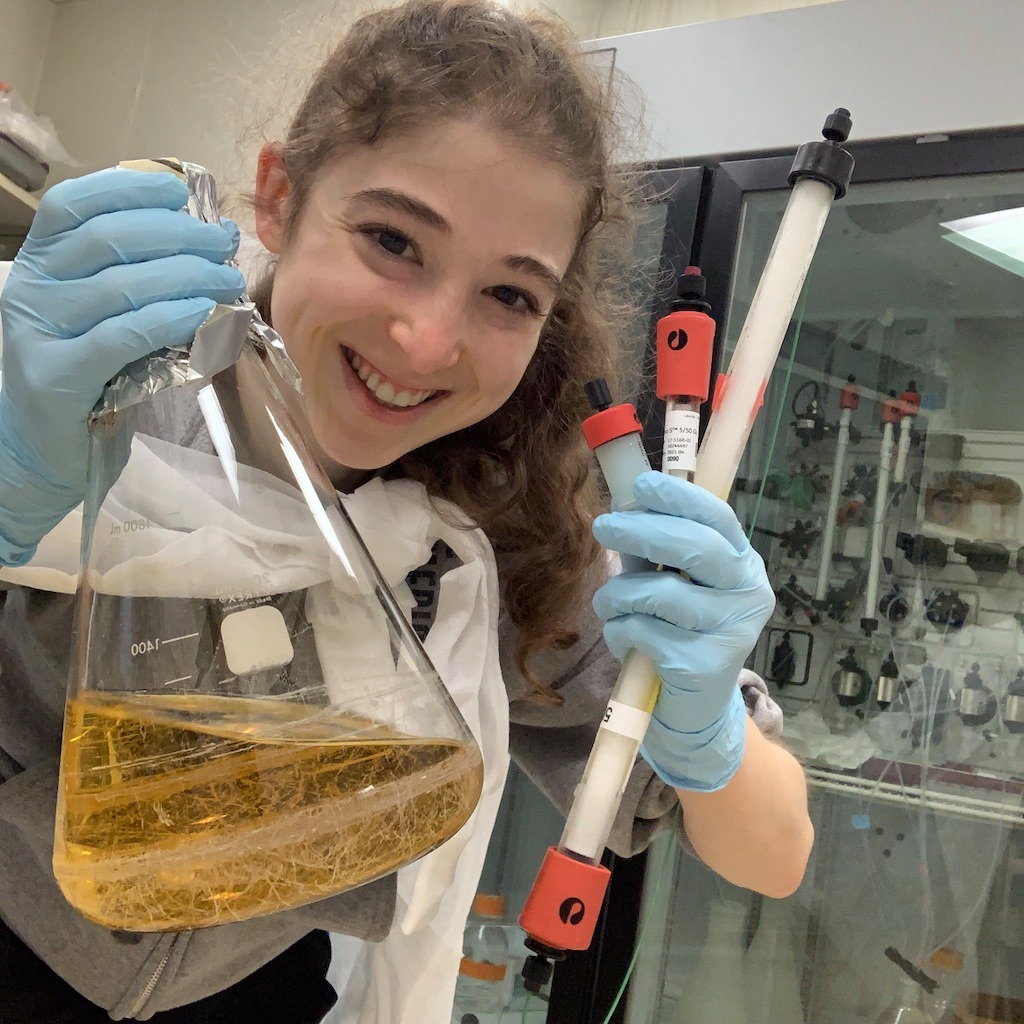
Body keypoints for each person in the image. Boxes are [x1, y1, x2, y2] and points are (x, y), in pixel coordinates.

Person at [0, 1, 813, 1020]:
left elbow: (774, 852)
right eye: (392, 239)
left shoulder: (500, 539)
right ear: (278, 196)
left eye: (509, 296)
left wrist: (707, 736)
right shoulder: (81, 385)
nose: (427, 341)